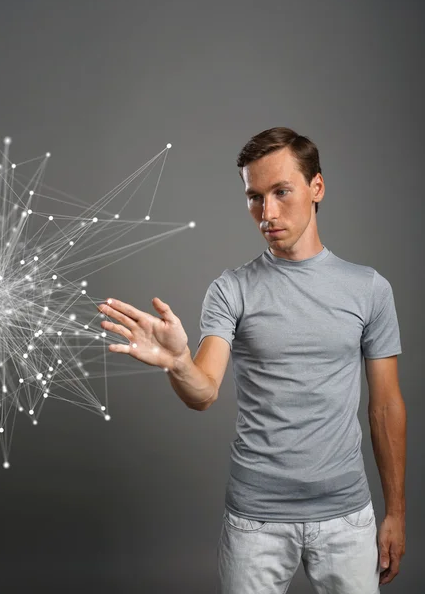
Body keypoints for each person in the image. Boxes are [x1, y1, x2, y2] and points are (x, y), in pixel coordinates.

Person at [98, 127, 406, 593]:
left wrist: (396, 513)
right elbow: (204, 392)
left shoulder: (369, 289)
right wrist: (178, 361)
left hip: (347, 517)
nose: (268, 213)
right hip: (256, 521)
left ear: (316, 187)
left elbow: (385, 407)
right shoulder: (230, 289)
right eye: (254, 197)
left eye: (281, 192)